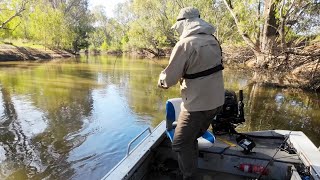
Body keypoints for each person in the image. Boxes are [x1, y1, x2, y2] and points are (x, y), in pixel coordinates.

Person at [157, 7, 225, 180]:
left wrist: (161, 81)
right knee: (191, 137)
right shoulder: (213, 40)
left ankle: (191, 177)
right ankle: (192, 169)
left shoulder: (185, 44)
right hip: (216, 102)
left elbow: (169, 80)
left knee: (180, 144)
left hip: (197, 106)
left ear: (184, 23)